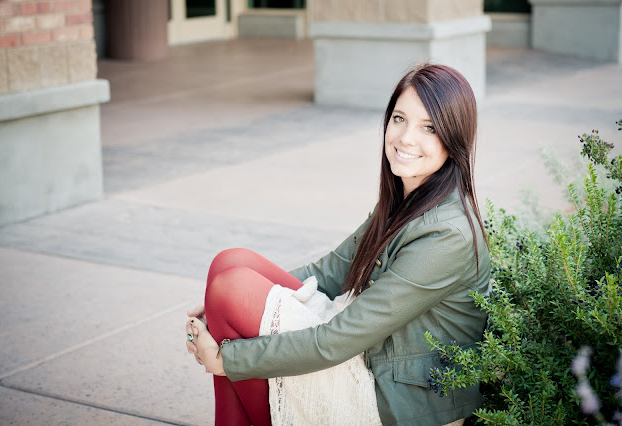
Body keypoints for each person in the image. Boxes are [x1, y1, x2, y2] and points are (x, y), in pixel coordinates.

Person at [185, 63, 491, 426]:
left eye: (429, 128)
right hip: (367, 356)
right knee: (231, 264)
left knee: (232, 290)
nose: (406, 138)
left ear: (454, 139)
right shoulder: (407, 198)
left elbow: (337, 340)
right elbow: (329, 273)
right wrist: (225, 308)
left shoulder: (447, 235)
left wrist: (228, 359)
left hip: (397, 399)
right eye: (399, 119)